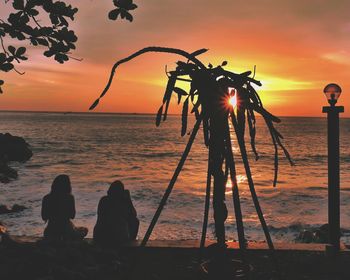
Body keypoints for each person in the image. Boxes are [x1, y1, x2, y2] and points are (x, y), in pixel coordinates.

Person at [41, 174, 88, 242]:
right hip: (66, 231)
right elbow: (72, 216)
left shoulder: (46, 198)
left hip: (50, 231)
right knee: (84, 230)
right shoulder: (69, 198)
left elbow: (44, 217)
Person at [93, 180, 139, 247]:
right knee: (135, 221)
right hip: (117, 238)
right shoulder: (123, 203)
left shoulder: (103, 200)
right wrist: (128, 199)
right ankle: (130, 246)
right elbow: (133, 215)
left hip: (99, 236)